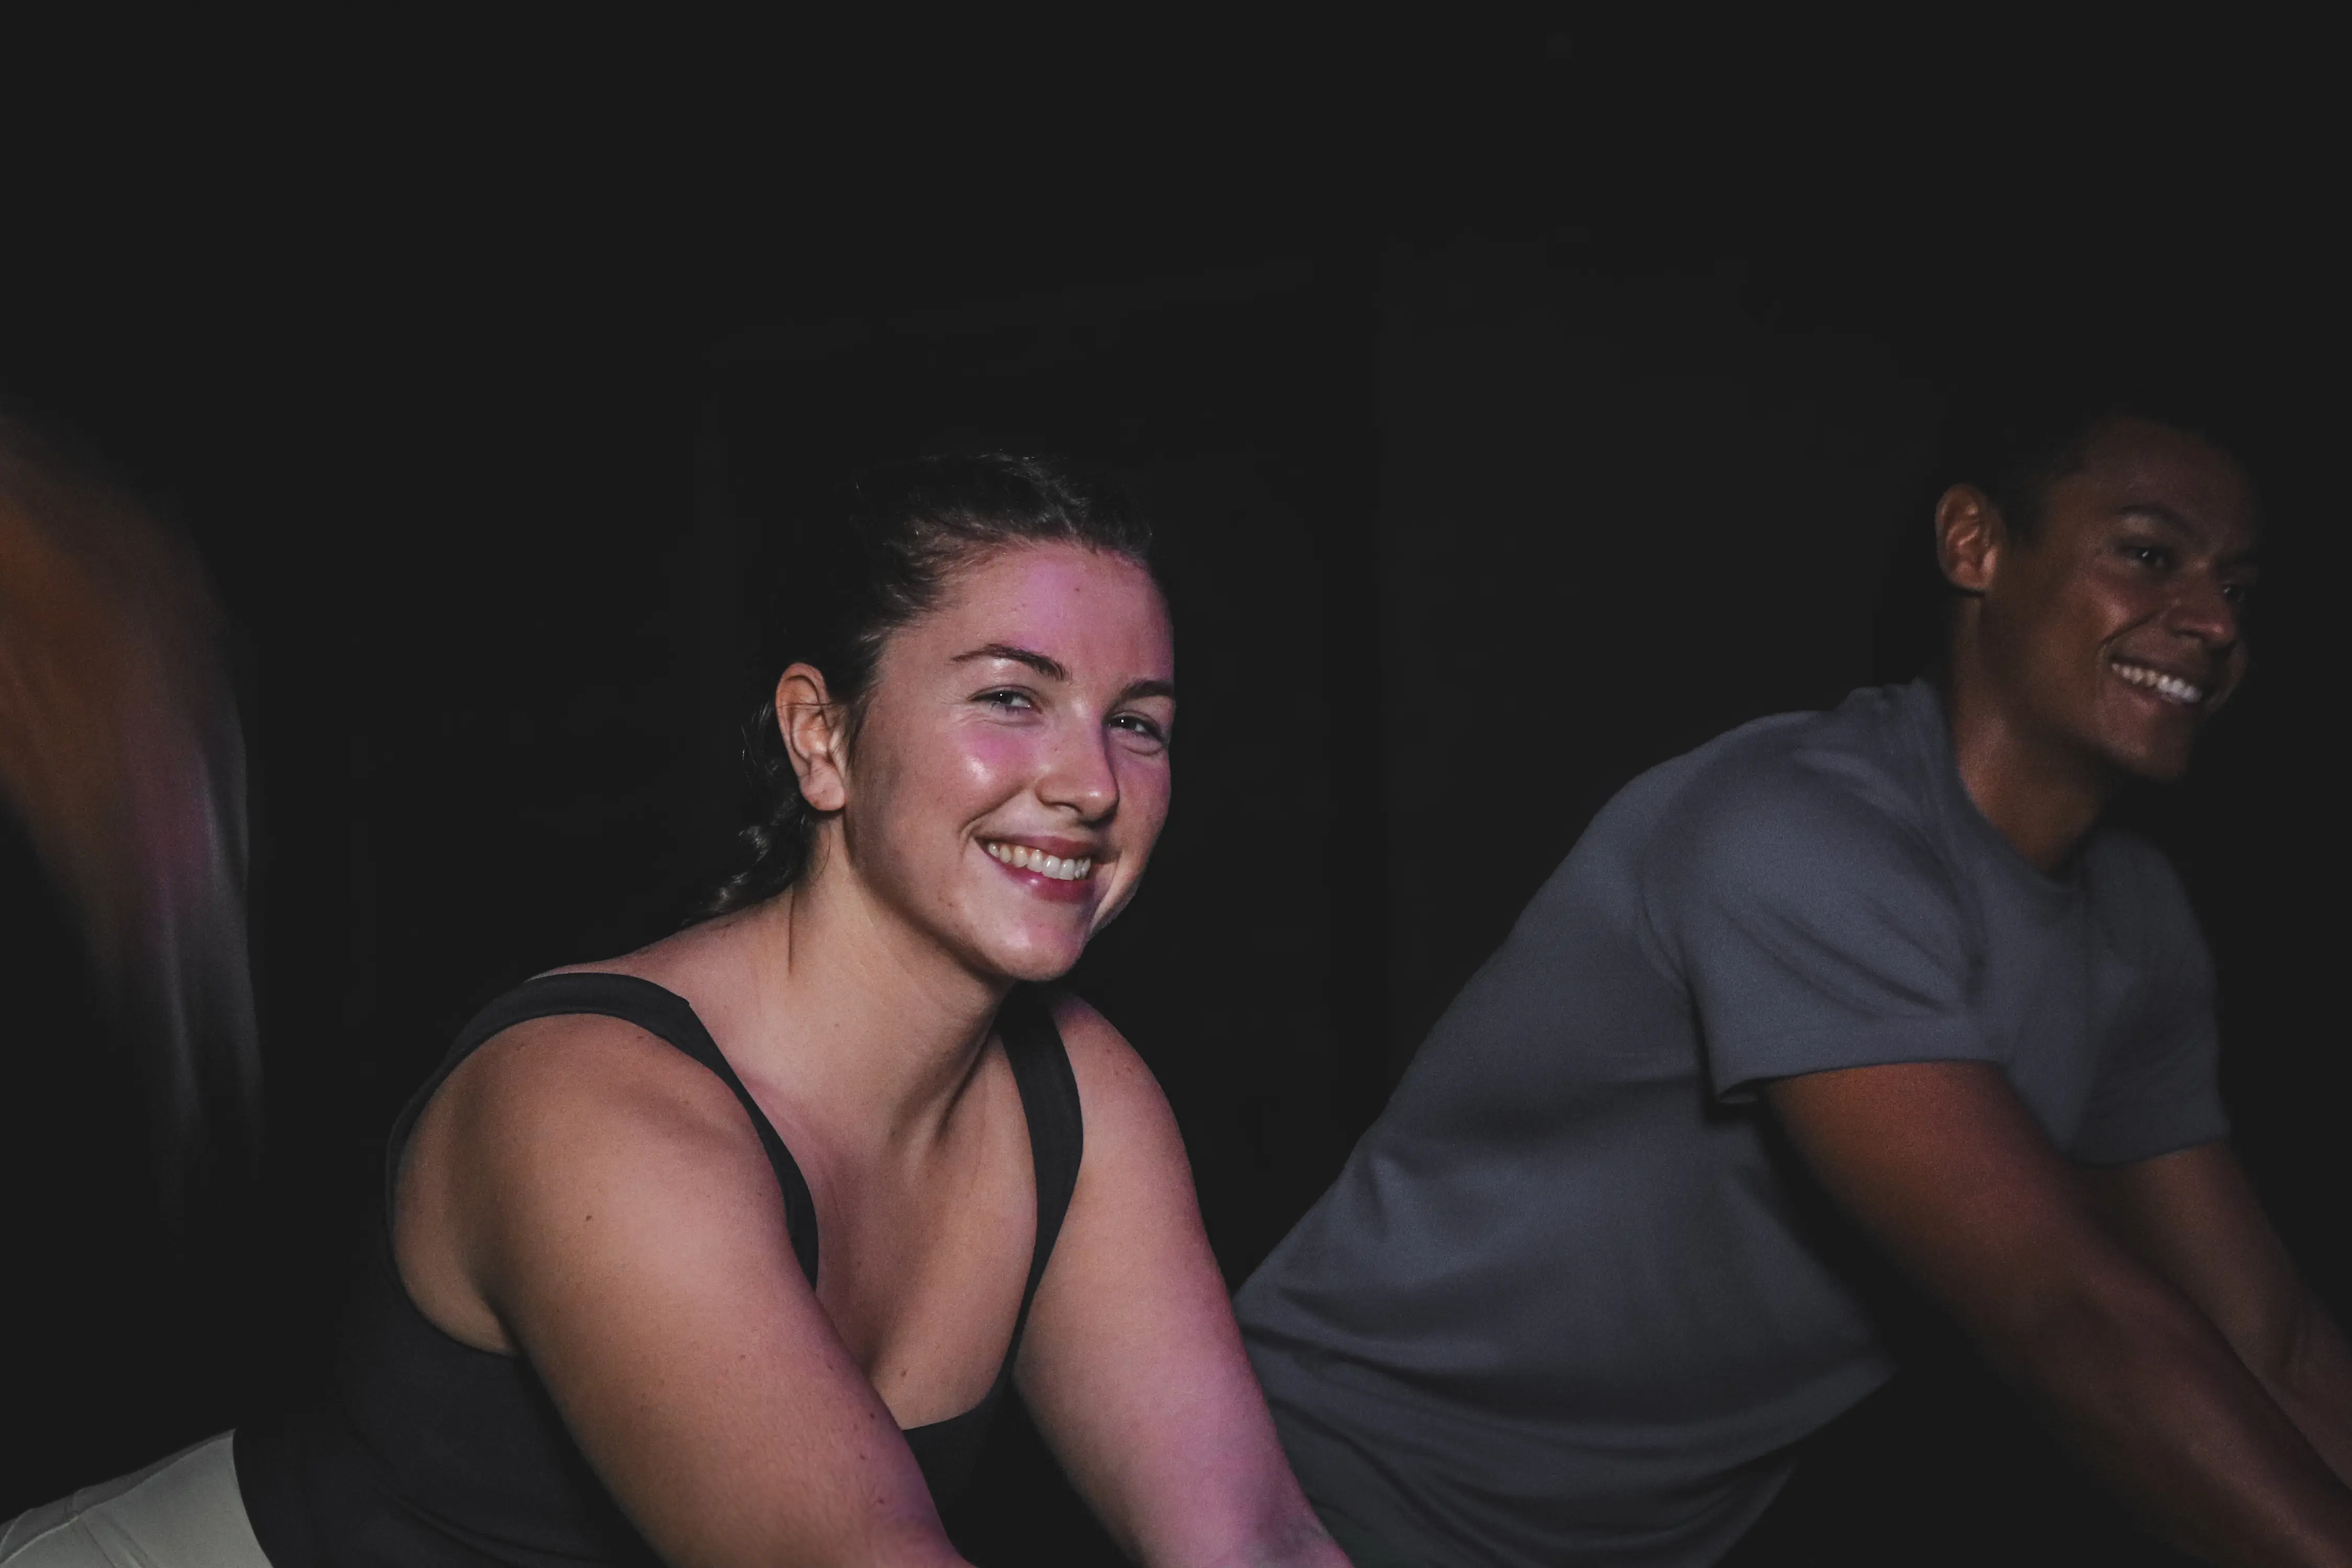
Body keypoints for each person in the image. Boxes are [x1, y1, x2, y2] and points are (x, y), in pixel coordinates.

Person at [3, 454, 1348, 1568]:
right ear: (823, 739)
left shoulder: (1080, 1097)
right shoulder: (597, 1105)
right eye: (1012, 697)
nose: (1092, 785)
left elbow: (1251, 1539)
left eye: (1139, 724)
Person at [1234, 398, 2352, 1565]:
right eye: (2150, 556)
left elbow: (2269, 1346)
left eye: (2240, 586)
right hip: (1314, 1500)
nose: (2216, 622)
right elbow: (2065, 1316)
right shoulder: (1794, 828)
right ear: (1974, 544)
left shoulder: (2134, 921)